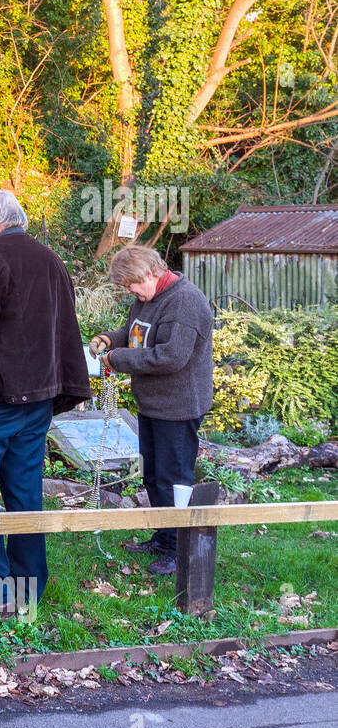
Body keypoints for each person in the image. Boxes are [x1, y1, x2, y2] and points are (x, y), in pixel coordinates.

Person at [0, 190, 91, 617]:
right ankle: (27, 590)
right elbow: (57, 325)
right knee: (24, 494)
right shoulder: (51, 259)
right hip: (37, 399)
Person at [91, 244, 214, 575]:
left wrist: (118, 360)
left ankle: (179, 548)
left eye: (130, 285)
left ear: (149, 273)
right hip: (153, 405)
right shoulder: (148, 296)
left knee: (174, 480)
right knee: (153, 476)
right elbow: (137, 336)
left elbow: (172, 356)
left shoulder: (185, 302)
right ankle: (164, 536)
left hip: (178, 405)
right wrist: (109, 340)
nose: (129, 292)